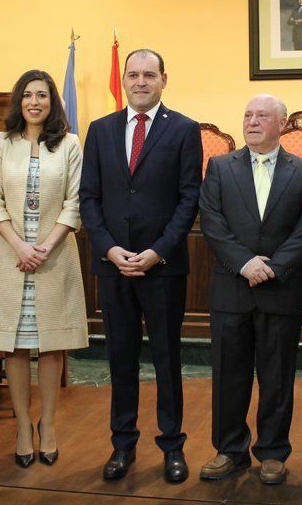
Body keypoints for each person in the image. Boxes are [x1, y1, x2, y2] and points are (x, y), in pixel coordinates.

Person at [80, 49, 202, 483]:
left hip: (163, 267)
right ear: (126, 81)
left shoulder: (185, 130)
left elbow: (190, 199)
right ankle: (122, 445)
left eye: (149, 75)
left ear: (164, 80)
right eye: (133, 74)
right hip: (113, 267)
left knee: (168, 360)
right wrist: (110, 249)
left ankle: (172, 446)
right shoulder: (100, 130)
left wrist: (158, 251)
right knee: (120, 358)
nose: (140, 81)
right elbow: (89, 198)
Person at [198, 94, 302, 485]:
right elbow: (212, 222)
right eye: (248, 114)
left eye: (262, 116)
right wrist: (245, 262)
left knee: (277, 377)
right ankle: (229, 450)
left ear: (282, 123)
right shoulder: (219, 167)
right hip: (232, 288)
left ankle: (272, 452)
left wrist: (274, 266)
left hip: (280, 290)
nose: (252, 121)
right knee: (229, 376)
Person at [0, 69, 88, 468]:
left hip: (54, 256)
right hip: (12, 257)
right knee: (16, 344)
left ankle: (49, 425)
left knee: (52, 344)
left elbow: (75, 202)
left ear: (52, 102)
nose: (34, 102)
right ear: (18, 101)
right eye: (27, 95)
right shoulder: (1, 142)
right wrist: (19, 245)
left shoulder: (70, 144)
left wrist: (43, 246)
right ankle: (23, 426)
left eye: (42, 95)